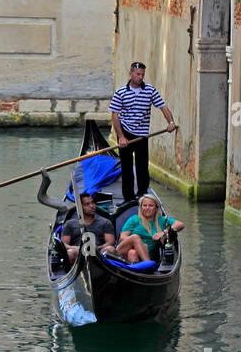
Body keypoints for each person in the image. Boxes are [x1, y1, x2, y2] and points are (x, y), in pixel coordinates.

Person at [109, 61, 177, 202]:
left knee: (142, 168)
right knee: (127, 168)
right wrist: (121, 137)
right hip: (125, 133)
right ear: (131, 74)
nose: (140, 77)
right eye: (138, 74)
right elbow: (115, 116)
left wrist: (170, 122)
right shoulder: (121, 92)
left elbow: (163, 107)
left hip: (142, 135)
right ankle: (128, 198)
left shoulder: (150, 90)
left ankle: (142, 195)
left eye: (142, 75)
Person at [116, 193, 181, 264]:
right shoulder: (134, 219)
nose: (147, 208)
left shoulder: (161, 220)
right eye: (144, 205)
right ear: (141, 207)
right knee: (135, 238)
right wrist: (139, 245)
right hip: (124, 250)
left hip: (146, 254)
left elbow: (180, 224)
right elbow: (122, 237)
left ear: (156, 208)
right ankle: (148, 263)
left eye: (151, 205)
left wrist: (163, 232)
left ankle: (139, 269)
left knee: (133, 253)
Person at [59, 192, 116, 265]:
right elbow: (64, 244)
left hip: (99, 252)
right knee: (70, 253)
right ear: (80, 207)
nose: (92, 206)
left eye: (92, 203)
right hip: (77, 252)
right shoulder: (69, 224)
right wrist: (78, 248)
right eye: (87, 204)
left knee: (110, 249)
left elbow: (110, 242)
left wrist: (97, 248)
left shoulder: (105, 222)